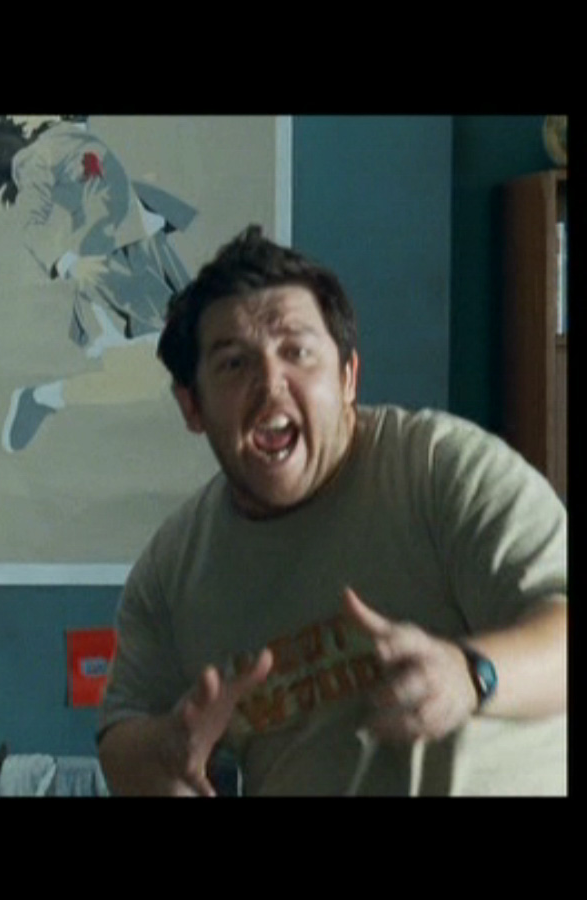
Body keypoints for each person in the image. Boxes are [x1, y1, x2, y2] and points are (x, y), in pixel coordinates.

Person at [96, 225, 567, 796]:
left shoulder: (442, 469)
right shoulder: (172, 570)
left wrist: (470, 675)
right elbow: (120, 741)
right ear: (192, 406)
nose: (271, 385)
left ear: (347, 378)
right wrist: (169, 746)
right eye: (234, 364)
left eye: (297, 352)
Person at [0, 115, 198, 452]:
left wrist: (151, 213)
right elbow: (31, 223)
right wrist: (68, 263)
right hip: (112, 272)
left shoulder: (78, 137)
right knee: (152, 372)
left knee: (177, 356)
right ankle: (42, 398)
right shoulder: (37, 157)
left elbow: (109, 190)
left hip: (144, 257)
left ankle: (44, 398)